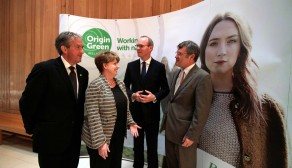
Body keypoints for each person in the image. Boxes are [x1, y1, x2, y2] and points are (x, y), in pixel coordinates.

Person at [198, 12, 288, 167]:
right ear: (203, 50)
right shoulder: (189, 99)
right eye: (213, 43)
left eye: (231, 41)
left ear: (242, 49)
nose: (222, 51)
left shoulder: (267, 109)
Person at [19, 31, 89, 168]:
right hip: (49, 140)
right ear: (64, 49)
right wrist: (33, 129)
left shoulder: (83, 73)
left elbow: (78, 105)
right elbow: (27, 102)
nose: (82, 51)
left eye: (83, 47)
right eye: (78, 47)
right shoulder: (45, 69)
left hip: (73, 140)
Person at [81, 51, 141, 168]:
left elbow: (124, 108)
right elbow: (93, 116)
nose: (118, 66)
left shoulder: (120, 84)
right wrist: (100, 143)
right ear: (104, 65)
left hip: (118, 136)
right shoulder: (95, 86)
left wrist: (131, 123)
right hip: (101, 139)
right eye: (114, 63)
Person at [162, 40, 213, 168]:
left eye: (179, 53)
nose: (175, 56)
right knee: (170, 164)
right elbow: (171, 99)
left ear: (191, 57)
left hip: (185, 135)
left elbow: (202, 110)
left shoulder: (202, 77)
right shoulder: (175, 73)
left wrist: (192, 135)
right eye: (176, 52)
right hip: (170, 130)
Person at [124, 35, 170, 168]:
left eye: (141, 46)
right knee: (137, 146)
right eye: (137, 46)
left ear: (150, 48)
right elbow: (125, 86)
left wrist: (154, 97)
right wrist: (133, 95)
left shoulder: (159, 67)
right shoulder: (131, 66)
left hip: (152, 114)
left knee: (152, 146)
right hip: (136, 114)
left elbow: (166, 89)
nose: (138, 48)